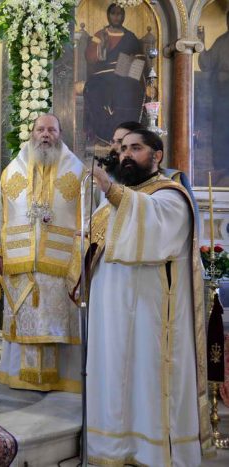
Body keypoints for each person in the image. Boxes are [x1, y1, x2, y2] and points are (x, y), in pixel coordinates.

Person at [84, 129, 211, 466]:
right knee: (113, 376)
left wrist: (110, 190)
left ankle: (150, 450)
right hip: (111, 313)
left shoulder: (171, 195)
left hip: (150, 316)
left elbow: (151, 224)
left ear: (157, 155)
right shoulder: (122, 196)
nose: (126, 154)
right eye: (123, 148)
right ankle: (113, 446)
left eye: (136, 148)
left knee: (144, 381)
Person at [0, 114, 84, 392]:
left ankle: (63, 379)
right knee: (25, 318)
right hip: (20, 263)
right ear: (32, 133)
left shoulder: (77, 172)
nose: (46, 134)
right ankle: (19, 376)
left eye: (52, 129)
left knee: (56, 319)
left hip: (61, 263)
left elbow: (87, 217)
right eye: (41, 129)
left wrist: (82, 254)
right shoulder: (12, 172)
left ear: (60, 134)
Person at [84, 3, 145, 143]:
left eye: (119, 14)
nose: (116, 17)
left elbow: (140, 59)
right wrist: (102, 47)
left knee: (130, 90)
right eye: (113, 13)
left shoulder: (130, 37)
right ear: (108, 15)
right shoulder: (100, 34)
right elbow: (90, 57)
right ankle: (104, 134)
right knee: (96, 91)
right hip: (101, 76)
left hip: (125, 76)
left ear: (124, 16)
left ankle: (125, 134)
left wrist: (126, 64)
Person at [198, 12, 229, 174]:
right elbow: (206, 63)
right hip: (223, 93)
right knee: (221, 129)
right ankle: (222, 166)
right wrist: (201, 42)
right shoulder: (221, 42)